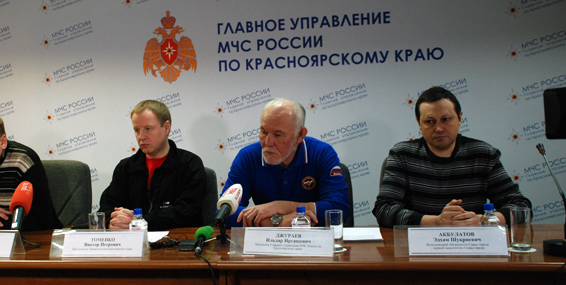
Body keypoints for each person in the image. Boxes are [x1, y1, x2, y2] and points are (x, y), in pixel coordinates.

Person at [373, 86, 531, 228]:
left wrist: (482, 220)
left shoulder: (483, 154)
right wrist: (437, 221)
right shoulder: (402, 155)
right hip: (418, 244)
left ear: (460, 118)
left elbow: (521, 207)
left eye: (446, 119)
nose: (439, 128)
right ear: (419, 123)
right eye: (430, 121)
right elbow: (384, 210)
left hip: (473, 242)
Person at [221, 98, 351, 227]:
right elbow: (223, 212)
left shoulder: (322, 153)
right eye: (264, 132)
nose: (268, 142)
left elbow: (339, 210)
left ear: (300, 135)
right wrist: (277, 222)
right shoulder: (248, 157)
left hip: (312, 237)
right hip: (265, 238)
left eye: (278, 135)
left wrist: (280, 206)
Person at [98, 100, 206, 230]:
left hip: (176, 239)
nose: (141, 137)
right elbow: (107, 207)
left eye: (148, 129)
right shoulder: (126, 167)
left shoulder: (189, 164)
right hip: (131, 239)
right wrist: (113, 221)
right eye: (137, 130)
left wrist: (140, 222)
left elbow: (187, 212)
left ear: (166, 128)